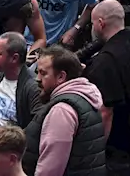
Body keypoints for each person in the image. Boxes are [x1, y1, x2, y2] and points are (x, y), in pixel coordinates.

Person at [84, 0, 130, 176]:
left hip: (117, 151)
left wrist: (95, 152)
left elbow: (106, 111)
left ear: (101, 24)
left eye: (93, 23)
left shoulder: (105, 62)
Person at [23, 46, 104, 176]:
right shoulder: (85, 98)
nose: (37, 78)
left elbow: (50, 170)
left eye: (43, 73)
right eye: (37, 72)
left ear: (61, 76)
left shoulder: (62, 111)